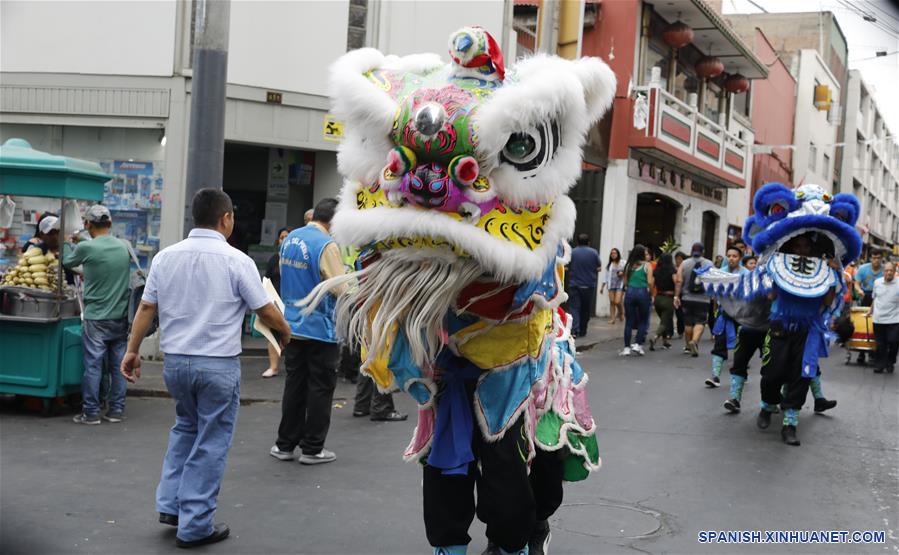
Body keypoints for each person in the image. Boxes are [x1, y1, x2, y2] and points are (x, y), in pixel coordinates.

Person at [120, 188, 291, 548]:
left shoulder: (165, 258)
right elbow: (264, 309)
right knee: (211, 440)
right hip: (216, 365)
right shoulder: (237, 260)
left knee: (185, 427)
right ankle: (195, 523)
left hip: (175, 363)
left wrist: (132, 350)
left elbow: (147, 309)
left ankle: (171, 505)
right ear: (226, 218)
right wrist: (286, 329)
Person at [269, 198, 346, 465]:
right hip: (320, 328)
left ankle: (285, 444)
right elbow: (340, 288)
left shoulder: (290, 240)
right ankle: (313, 448)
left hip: (291, 324)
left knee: (294, 386)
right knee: (320, 388)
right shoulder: (327, 245)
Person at [63, 206, 131, 425]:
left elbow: (66, 262)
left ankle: (91, 412)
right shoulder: (123, 247)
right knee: (118, 366)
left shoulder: (86, 247)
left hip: (96, 318)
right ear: (110, 224)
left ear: (87, 225)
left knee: (93, 365)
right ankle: (116, 410)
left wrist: (66, 241)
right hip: (120, 317)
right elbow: (101, 271)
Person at [706, 246, 746, 388]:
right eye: (729, 255)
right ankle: (715, 376)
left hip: (742, 317)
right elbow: (714, 295)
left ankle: (741, 375)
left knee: (742, 349)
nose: (731, 258)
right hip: (724, 316)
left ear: (740, 258)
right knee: (719, 345)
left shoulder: (746, 274)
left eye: (734, 256)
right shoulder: (720, 273)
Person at [262, 227, 291, 378]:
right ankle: (273, 367)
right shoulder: (274, 259)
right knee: (273, 335)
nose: (284, 239)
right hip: (276, 301)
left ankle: (292, 367)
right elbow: (267, 280)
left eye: (287, 237)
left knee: (293, 336)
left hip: (292, 303)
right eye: (281, 237)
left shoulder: (294, 258)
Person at [674, 242, 712, 357]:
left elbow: (679, 280)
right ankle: (694, 341)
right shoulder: (709, 264)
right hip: (704, 299)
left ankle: (687, 346)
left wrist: (676, 296)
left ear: (691, 251)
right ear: (703, 251)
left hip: (687, 298)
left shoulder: (684, 263)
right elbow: (714, 280)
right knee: (700, 322)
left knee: (688, 322)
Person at [620, 244, 654, 356]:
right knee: (643, 320)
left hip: (630, 292)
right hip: (642, 292)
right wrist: (652, 293)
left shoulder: (628, 265)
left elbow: (624, 282)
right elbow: (649, 282)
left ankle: (626, 347)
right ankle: (638, 344)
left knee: (629, 321)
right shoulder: (647, 266)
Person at [566, 234, 602, 338]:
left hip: (574, 284)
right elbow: (599, 267)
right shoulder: (594, 253)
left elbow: (567, 267)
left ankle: (574, 330)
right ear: (588, 242)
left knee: (574, 308)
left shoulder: (573, 252)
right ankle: (583, 330)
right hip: (588, 285)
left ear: (577, 242)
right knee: (585, 309)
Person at [854, 251, 884, 364]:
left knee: (876, 324)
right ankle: (861, 352)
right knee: (863, 323)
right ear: (871, 258)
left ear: (881, 259)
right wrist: (859, 290)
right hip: (866, 295)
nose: (876, 260)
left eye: (878, 257)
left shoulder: (884, 270)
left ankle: (873, 352)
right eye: (874, 257)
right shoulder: (863, 269)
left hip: (879, 297)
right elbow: (856, 283)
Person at [870, 262, 899, 374]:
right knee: (880, 344)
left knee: (894, 342)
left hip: (895, 319)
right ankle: (879, 365)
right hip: (879, 319)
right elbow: (875, 298)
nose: (889, 273)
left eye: (891, 270)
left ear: (894, 271)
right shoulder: (877, 282)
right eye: (887, 270)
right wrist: (870, 310)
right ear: (883, 272)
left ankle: (890, 361)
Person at [649, 253, 676, 351]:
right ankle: (655, 337)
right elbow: (676, 282)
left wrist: (652, 295)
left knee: (663, 320)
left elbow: (651, 284)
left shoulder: (656, 271)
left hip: (658, 298)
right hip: (668, 298)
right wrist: (677, 295)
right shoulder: (672, 270)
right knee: (665, 321)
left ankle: (665, 341)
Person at [601, 248, 624, 324]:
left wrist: (622, 273)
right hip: (611, 285)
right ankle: (612, 319)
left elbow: (627, 271)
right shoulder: (609, 265)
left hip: (620, 285)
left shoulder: (623, 262)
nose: (613, 255)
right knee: (612, 302)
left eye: (615, 253)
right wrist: (602, 287)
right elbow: (606, 277)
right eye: (612, 253)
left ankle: (621, 312)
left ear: (618, 254)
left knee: (617, 301)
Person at [673, 251, 687, 337]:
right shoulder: (673, 269)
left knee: (682, 313)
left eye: (680, 259)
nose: (678, 261)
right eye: (676, 259)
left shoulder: (686, 269)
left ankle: (681, 330)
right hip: (675, 293)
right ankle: (680, 330)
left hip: (684, 293)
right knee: (678, 313)